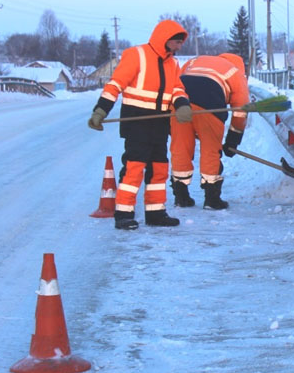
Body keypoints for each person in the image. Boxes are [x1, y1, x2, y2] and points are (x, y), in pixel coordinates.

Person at [87, 19, 193, 230]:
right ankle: (123, 214)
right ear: (166, 39)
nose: (180, 47)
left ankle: (155, 212)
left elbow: (177, 89)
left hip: (160, 122)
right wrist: (101, 110)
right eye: (178, 42)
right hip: (136, 120)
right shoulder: (136, 55)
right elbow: (115, 84)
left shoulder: (172, 63)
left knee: (159, 168)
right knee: (134, 168)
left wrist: (182, 104)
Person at [169, 53, 250, 210]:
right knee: (210, 149)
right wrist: (233, 140)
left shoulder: (195, 61)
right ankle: (211, 199)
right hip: (210, 100)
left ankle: (181, 196)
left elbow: (176, 83)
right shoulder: (236, 72)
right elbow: (241, 110)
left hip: (180, 101)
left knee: (180, 147)